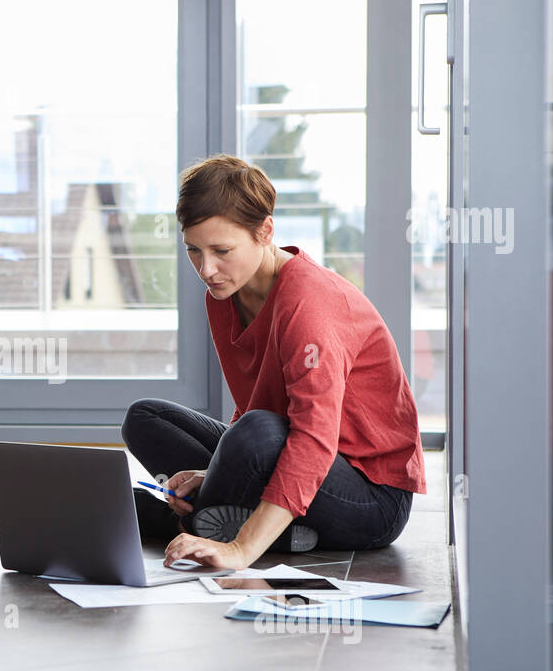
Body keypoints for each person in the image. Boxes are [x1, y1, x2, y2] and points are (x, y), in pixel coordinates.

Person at [122, 154, 427, 571]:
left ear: (265, 231)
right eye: (194, 250)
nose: (207, 269)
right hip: (279, 451)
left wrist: (241, 549)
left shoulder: (310, 305)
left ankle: (185, 521)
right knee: (146, 417)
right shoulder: (225, 293)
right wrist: (214, 473)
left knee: (259, 432)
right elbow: (251, 406)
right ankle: (251, 524)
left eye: (222, 250)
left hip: (368, 498)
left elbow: (313, 440)